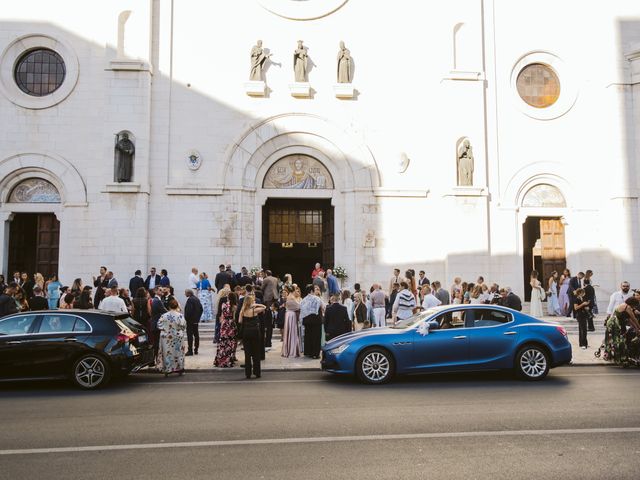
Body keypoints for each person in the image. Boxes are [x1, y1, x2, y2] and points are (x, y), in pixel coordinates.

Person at [597, 297, 640, 366]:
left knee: (618, 340)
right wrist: (638, 327)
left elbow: (630, 320)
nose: (635, 307)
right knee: (619, 341)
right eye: (635, 305)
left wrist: (636, 329)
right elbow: (633, 318)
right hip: (614, 324)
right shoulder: (627, 307)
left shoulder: (625, 306)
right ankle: (620, 359)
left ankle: (617, 357)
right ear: (632, 303)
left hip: (617, 324)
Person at [157, 297, 186, 377]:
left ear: (169, 306)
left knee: (167, 352)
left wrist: (166, 329)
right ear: (177, 306)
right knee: (178, 352)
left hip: (166, 337)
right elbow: (183, 326)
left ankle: (168, 369)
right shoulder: (180, 316)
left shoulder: (164, 316)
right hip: (177, 336)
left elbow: (159, 325)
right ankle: (179, 368)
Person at [238, 295, 266, 379]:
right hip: (255, 332)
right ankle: (257, 372)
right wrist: (257, 305)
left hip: (246, 332)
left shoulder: (242, 311)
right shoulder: (254, 310)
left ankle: (248, 374)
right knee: (256, 353)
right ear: (251, 302)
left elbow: (240, 321)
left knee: (247, 354)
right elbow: (264, 307)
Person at [214, 292, 238, 368]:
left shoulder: (223, 305)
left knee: (222, 342)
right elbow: (234, 318)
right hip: (231, 324)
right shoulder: (234, 307)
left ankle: (219, 360)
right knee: (230, 343)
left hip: (224, 324)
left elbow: (221, 316)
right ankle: (228, 360)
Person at [300, 285, 324, 358]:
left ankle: (308, 352)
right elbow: (322, 307)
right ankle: (315, 354)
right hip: (316, 320)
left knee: (308, 336)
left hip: (307, 320)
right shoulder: (317, 298)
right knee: (316, 337)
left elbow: (302, 310)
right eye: (314, 289)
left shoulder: (303, 299)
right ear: (311, 291)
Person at [281, 286, 301, 358]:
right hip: (291, 315)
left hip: (289, 315)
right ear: (293, 290)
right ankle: (291, 351)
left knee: (290, 332)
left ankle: (288, 349)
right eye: (296, 289)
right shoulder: (291, 297)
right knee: (292, 332)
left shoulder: (289, 296)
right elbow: (297, 306)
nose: (297, 291)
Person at [150, 286, 168, 358]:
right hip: (157, 324)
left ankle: (156, 358)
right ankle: (157, 358)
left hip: (156, 323)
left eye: (162, 290)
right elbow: (164, 311)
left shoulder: (157, 300)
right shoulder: (157, 301)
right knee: (157, 343)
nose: (162, 291)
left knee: (157, 342)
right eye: (160, 290)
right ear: (155, 291)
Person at [184, 289, 203, 356]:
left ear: (188, 293)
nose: (184, 294)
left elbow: (189, 311)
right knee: (196, 335)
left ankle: (190, 350)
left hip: (190, 321)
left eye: (185, 293)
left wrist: (186, 318)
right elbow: (201, 309)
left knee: (190, 336)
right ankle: (196, 349)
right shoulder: (197, 299)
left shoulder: (190, 300)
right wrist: (198, 317)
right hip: (196, 320)